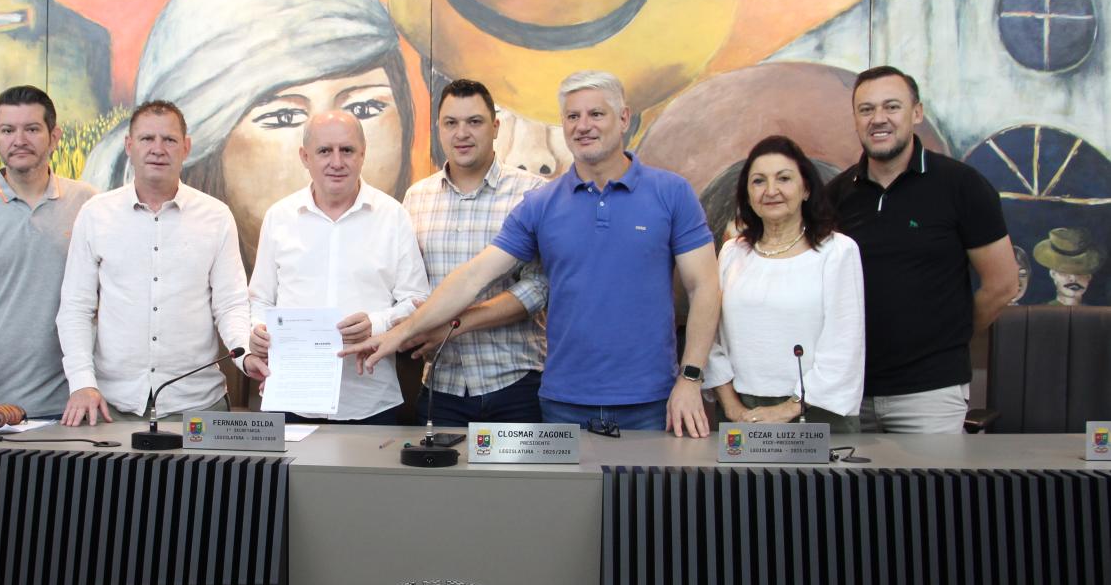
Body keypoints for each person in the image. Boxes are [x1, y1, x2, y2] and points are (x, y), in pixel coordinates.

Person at [345, 70, 720, 437]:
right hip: (563, 402)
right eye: (572, 116)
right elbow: (474, 275)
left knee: (646, 484)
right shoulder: (541, 203)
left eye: (596, 114)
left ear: (623, 119)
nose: (583, 126)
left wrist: (690, 379)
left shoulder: (671, 193)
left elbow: (704, 287)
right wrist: (401, 332)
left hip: (653, 401)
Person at [79, 0, 414, 267]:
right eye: (283, 116)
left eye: (364, 109)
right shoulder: (126, 233)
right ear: (204, 151)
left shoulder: (398, 224)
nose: (327, 147)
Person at [827, 66, 1017, 433]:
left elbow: (1003, 284)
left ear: (916, 113)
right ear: (855, 119)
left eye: (891, 106)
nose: (878, 119)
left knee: (930, 477)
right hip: (848, 393)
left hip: (931, 393)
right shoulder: (835, 196)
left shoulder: (962, 185)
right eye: (866, 109)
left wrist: (947, 339)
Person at [57, 100, 257, 425]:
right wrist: (81, 383)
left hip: (198, 404)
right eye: (147, 138)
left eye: (169, 140)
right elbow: (75, 308)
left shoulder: (216, 216)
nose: (158, 149)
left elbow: (231, 304)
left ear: (186, 147)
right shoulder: (96, 214)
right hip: (112, 406)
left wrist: (244, 354)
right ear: (129, 146)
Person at [247, 109, 428, 424]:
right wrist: (257, 331)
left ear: (362, 154)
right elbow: (260, 300)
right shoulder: (279, 217)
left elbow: (416, 299)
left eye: (347, 150)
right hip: (291, 396)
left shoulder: (393, 216)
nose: (336, 161)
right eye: (324, 151)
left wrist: (376, 324)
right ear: (305, 157)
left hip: (370, 401)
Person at [0, 86, 97, 419]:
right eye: (8, 130)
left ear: (54, 137)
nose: (19, 140)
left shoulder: (86, 201)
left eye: (32, 129)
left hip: (71, 402)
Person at [401, 78, 548, 425]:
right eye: (451, 123)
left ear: (495, 127)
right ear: (438, 129)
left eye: (474, 122)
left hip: (517, 384)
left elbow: (540, 286)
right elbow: (408, 286)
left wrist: (455, 324)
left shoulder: (533, 193)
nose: (462, 133)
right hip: (441, 386)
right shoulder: (416, 199)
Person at [704, 136, 864, 430]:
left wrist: (787, 409)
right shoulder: (732, 253)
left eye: (784, 178)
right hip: (741, 412)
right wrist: (733, 407)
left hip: (817, 411)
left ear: (806, 189)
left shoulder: (838, 251)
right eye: (758, 181)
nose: (771, 191)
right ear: (747, 194)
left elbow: (844, 347)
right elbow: (710, 337)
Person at [1033, 227, 1101, 306]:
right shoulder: (1040, 311)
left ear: (1088, 277)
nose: (1073, 279)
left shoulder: (1097, 313)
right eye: (1065, 271)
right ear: (1053, 274)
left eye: (1080, 272)